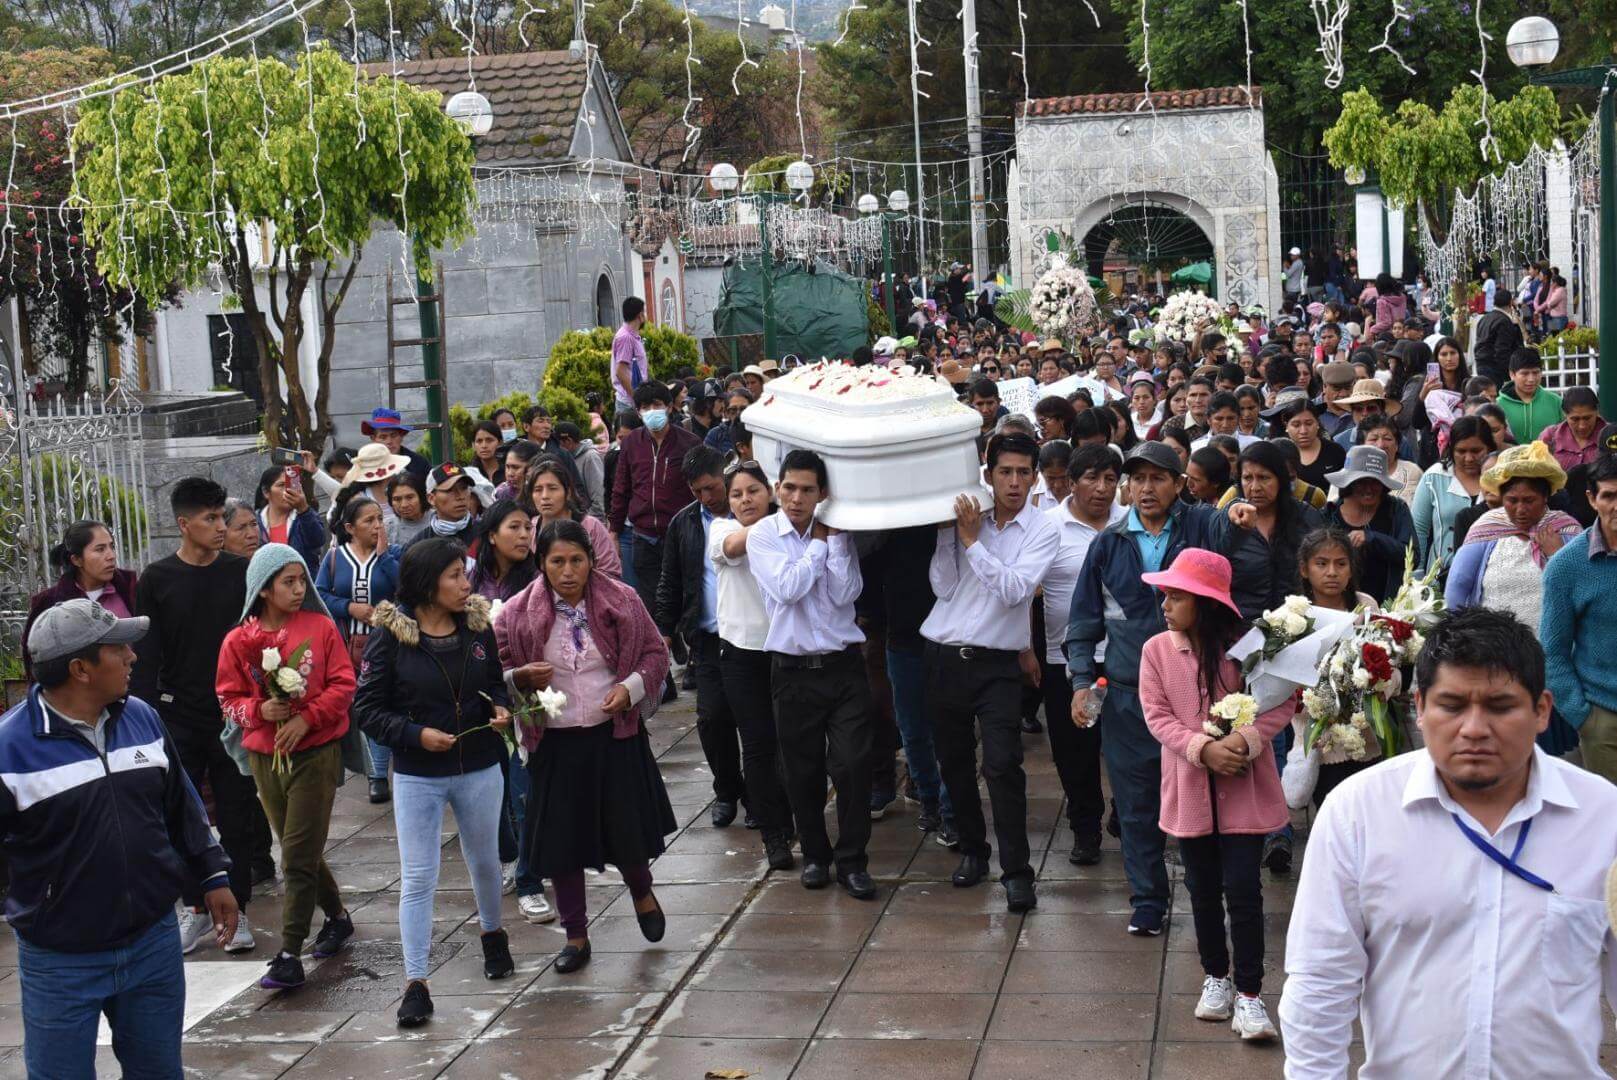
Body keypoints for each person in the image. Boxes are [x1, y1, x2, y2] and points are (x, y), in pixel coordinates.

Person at [1280, 607, 1617, 1078]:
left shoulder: (1604, 819)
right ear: (1419, 707)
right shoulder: (1358, 813)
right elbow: (1320, 982)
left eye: (1500, 706)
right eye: (1452, 705)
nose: (1474, 728)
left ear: (1542, 710)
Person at [5, 600, 236, 1079]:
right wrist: (35, 904)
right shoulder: (10, 749)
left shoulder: (143, 718)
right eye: (119, 649)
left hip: (152, 944)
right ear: (80, 669)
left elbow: (181, 805)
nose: (133, 656)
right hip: (59, 962)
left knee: (159, 1072)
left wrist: (212, 875)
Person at [1065, 441, 1243, 937]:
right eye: (1138, 478)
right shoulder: (1109, 544)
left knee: (1204, 799)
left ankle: (1211, 897)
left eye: (1158, 478)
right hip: (1126, 696)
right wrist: (1081, 681)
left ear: (1179, 484)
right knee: (1136, 803)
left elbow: (1232, 536)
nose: (1147, 488)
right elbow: (1083, 621)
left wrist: (1239, 516)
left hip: (1200, 694)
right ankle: (1147, 900)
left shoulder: (1202, 526)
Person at [495, 520, 675, 975]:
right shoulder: (516, 612)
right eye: (557, 561)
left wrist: (630, 689)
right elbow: (494, 670)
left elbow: (655, 653)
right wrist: (519, 678)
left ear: (592, 560)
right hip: (554, 742)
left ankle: (641, 889)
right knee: (562, 843)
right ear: (541, 563)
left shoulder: (623, 600)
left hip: (613, 736)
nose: (568, 571)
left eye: (577, 560)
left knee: (626, 831)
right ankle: (576, 934)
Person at [353, 538, 516, 1027]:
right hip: (418, 775)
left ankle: (493, 934)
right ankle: (416, 982)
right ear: (427, 585)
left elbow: (495, 682)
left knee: (484, 860)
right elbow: (366, 709)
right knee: (419, 875)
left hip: (479, 764)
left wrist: (501, 707)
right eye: (454, 576)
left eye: (465, 574)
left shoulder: (478, 626)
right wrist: (415, 735)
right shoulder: (390, 637)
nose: (466, 584)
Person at [1139, 549, 1289, 1042]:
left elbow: (1282, 701)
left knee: (1244, 889)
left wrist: (1244, 741)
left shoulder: (1249, 649)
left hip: (1244, 789)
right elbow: (1157, 715)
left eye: (1176, 596)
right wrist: (1202, 749)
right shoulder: (1156, 651)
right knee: (1201, 888)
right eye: (1165, 595)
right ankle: (1216, 977)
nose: (1165, 604)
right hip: (1190, 791)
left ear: (1204, 602)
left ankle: (1250, 993)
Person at [922, 432, 1059, 912]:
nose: (1014, 482)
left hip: (997, 664)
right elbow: (942, 587)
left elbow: (1015, 590)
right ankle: (973, 852)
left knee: (1002, 766)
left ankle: (1017, 873)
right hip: (944, 655)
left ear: (1035, 477)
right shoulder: (968, 515)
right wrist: (949, 535)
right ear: (988, 474)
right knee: (954, 763)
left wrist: (971, 543)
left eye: (1023, 472)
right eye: (1005, 472)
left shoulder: (1042, 529)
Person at [217, 544, 357, 991]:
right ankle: (337, 916)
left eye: (302, 581)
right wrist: (260, 711)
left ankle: (290, 952)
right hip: (266, 757)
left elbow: (343, 684)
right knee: (301, 847)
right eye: (288, 582)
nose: (299, 589)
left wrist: (306, 718)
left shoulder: (320, 627)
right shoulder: (239, 640)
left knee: (295, 855)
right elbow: (227, 699)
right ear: (263, 589)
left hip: (316, 754)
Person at [131, 476, 260, 954]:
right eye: (210, 518)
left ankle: (238, 908)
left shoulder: (240, 572)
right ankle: (196, 908)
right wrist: (142, 717)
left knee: (237, 814)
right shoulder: (157, 579)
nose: (221, 526)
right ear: (184, 524)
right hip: (178, 715)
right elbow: (146, 656)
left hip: (233, 714)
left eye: (222, 516)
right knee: (180, 815)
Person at [747, 449, 875, 900]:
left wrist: (833, 541)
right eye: (789, 488)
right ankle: (817, 855)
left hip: (843, 667)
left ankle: (853, 860)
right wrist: (819, 545)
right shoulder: (764, 535)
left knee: (854, 765)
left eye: (806, 490)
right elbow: (787, 587)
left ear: (822, 494)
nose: (796, 498)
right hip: (793, 670)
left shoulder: (838, 531)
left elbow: (846, 594)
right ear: (777, 488)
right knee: (802, 772)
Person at [709, 460, 797, 869]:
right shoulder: (721, 529)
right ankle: (772, 833)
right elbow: (733, 547)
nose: (745, 500)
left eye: (753, 491)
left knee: (792, 741)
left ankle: (797, 817)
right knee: (758, 745)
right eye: (736, 494)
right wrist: (786, 518)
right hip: (742, 653)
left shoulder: (790, 528)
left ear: (770, 491)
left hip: (788, 650)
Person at [1040, 444, 1125, 865]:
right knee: (1077, 751)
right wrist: (1026, 651)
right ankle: (1085, 828)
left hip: (1125, 659)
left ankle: (1126, 813)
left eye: (1110, 479)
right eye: (1092, 478)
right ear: (1071, 483)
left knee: (1127, 746)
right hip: (1070, 662)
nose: (1102, 488)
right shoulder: (1048, 527)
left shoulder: (1130, 524)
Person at [656, 446, 746, 827]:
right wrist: (664, 630)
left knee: (754, 720)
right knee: (712, 718)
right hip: (708, 638)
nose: (707, 497)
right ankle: (727, 790)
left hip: (749, 638)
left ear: (725, 477)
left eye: (712, 487)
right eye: (698, 491)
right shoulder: (685, 524)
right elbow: (671, 580)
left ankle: (761, 795)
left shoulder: (749, 514)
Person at [611, 381, 703, 703]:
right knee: (651, 608)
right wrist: (613, 529)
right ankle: (662, 678)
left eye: (658, 405)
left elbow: (700, 486)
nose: (652, 412)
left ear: (670, 407)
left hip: (680, 535)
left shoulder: (689, 443)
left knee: (690, 599)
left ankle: (694, 661)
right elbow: (621, 488)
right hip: (643, 536)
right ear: (638, 412)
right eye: (645, 407)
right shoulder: (631, 444)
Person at [315, 496, 401, 804]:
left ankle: (381, 773)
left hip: (387, 646)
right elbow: (320, 595)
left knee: (383, 704)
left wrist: (385, 557)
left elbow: (407, 589)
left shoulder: (393, 554)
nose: (378, 525)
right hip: (346, 645)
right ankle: (373, 773)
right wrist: (350, 607)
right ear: (350, 528)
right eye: (369, 521)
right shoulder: (335, 558)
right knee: (361, 707)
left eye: (380, 518)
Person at [1540, 453, 1617, 783]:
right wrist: (1584, 717)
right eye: (1609, 496)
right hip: (1604, 718)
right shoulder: (1566, 567)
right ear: (1592, 499)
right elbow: (1552, 651)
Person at [23, 519, 138, 677]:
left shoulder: (131, 590)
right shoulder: (49, 602)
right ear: (76, 560)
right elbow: (35, 658)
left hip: (129, 685)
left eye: (112, 547)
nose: (111, 556)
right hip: (75, 689)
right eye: (100, 549)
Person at [1224, 441, 1325, 617]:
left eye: (1264, 478)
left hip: (1298, 623)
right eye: (1247, 478)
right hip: (1240, 626)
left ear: (1281, 479)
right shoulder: (1229, 522)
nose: (1255, 487)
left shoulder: (1306, 518)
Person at [1323, 446, 1416, 603]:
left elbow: (1412, 556)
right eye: (1361, 482)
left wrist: (1372, 538)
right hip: (1338, 605)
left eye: (1375, 482)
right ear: (1350, 483)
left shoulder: (1397, 509)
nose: (1368, 489)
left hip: (1387, 605)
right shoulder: (1329, 514)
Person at [1411, 415, 1495, 573]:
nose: (1469, 458)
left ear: (1489, 448)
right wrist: (1416, 574)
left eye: (1476, 451)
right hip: (1440, 575)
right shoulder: (1433, 477)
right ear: (1451, 449)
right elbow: (1418, 530)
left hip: (1491, 573)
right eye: (1461, 451)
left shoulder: (1502, 478)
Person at [526, 456, 622, 578]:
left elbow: (610, 572)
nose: (545, 496)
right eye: (538, 490)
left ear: (568, 493)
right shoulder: (530, 528)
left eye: (552, 488)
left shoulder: (591, 527)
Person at [254, 464, 326, 575]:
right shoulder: (255, 521)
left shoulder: (306, 516)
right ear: (266, 492)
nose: (287, 490)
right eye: (281, 485)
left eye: (290, 485)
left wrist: (303, 509)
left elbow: (317, 541)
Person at [1277, 393, 1346, 492]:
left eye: (1309, 424)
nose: (1303, 431)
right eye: (1296, 425)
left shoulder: (1335, 451)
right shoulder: (1278, 453)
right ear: (1286, 425)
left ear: (1317, 423)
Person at [1497, 348, 1563, 448]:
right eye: (1525, 373)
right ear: (1512, 374)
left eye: (1536, 373)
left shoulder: (1556, 402)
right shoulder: (1498, 405)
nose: (1531, 379)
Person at [1355, 414, 1423, 503]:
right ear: (1361, 446)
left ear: (1397, 445)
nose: (1381, 445)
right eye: (1373, 439)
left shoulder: (1413, 472)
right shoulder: (1350, 475)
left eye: (1387, 439)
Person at [415, 463, 482, 549]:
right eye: (449, 490)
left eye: (464, 488)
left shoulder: (487, 534)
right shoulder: (419, 545)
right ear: (431, 498)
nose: (460, 496)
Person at [1539, 386, 1605, 472]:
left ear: (1597, 411)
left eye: (1587, 418)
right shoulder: (1549, 437)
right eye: (1575, 419)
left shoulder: (1612, 436)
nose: (1582, 426)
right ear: (1564, 414)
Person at [1469, 288, 1523, 385]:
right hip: (1494, 367)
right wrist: (1509, 373)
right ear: (1510, 302)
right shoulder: (1504, 321)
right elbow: (1502, 350)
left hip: (1481, 364)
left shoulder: (1484, 319)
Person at [555, 421, 606, 521]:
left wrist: (586, 522)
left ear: (568, 441)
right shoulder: (568, 458)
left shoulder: (590, 457)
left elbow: (599, 497)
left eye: (557, 444)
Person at [361, 407, 430, 480]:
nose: (389, 441)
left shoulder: (419, 464)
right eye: (383, 437)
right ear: (373, 439)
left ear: (401, 436)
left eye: (393, 436)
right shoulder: (364, 465)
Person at [613, 296, 650, 413]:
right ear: (640, 315)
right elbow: (621, 371)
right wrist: (637, 399)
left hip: (633, 403)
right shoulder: (626, 337)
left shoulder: (632, 336)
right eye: (644, 312)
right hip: (629, 405)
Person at [387, 471, 432, 549]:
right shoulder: (387, 528)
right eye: (397, 499)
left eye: (410, 497)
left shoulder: (438, 522)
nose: (404, 505)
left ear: (422, 497)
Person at [470, 420, 506, 488]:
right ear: (473, 445)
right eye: (479, 441)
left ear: (500, 443)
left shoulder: (509, 470)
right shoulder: (470, 474)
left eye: (489, 440)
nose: (484, 446)